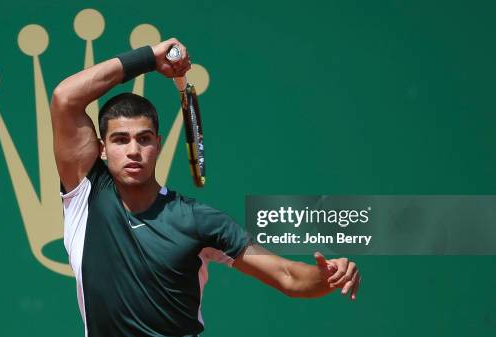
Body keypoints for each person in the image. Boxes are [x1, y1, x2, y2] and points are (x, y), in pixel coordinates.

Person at [51, 38, 361, 337]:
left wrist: (327, 278)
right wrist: (149, 58)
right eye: (121, 140)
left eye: (144, 139)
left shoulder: (197, 220)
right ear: (102, 149)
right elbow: (66, 97)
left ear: (157, 146)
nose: (133, 150)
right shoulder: (86, 194)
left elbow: (288, 277)